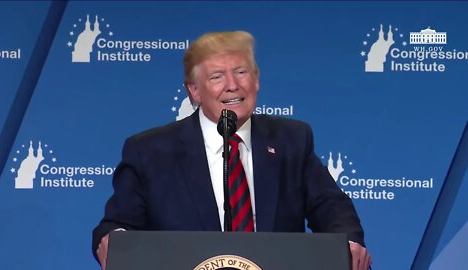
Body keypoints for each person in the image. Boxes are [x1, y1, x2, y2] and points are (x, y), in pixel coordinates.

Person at [92, 30, 372, 270]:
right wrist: (115, 240)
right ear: (195, 91)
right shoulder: (150, 151)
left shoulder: (291, 140)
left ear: (257, 80)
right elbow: (117, 224)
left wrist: (347, 241)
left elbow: (331, 207)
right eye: (217, 76)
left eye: (241, 72)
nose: (232, 85)